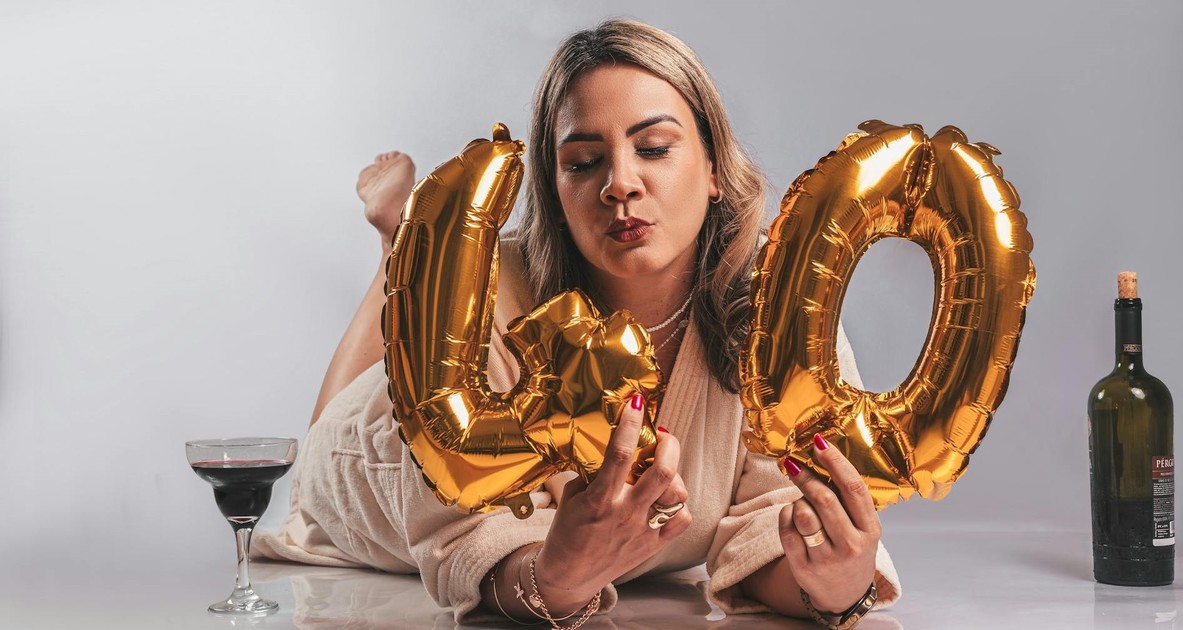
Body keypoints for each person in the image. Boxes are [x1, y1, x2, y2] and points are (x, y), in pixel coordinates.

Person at [255, 19, 901, 628]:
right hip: (374, 463)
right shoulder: (488, 304)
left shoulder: (779, 303)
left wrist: (838, 586)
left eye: (653, 148)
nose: (620, 183)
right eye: (583, 162)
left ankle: (408, 246)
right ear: (555, 192)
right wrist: (557, 580)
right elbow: (471, 545)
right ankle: (406, 254)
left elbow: (779, 535)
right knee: (324, 438)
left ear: (713, 168)